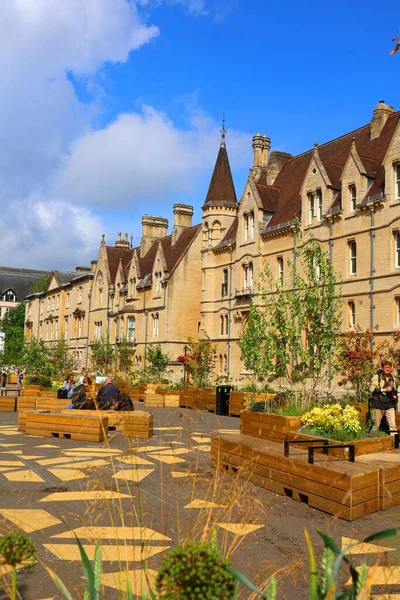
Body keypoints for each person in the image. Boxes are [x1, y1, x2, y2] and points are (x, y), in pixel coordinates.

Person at [370, 359, 398, 435]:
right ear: (382, 368)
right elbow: (372, 389)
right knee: (375, 427)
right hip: (378, 405)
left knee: (393, 427)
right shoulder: (377, 376)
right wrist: (384, 389)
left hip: (389, 405)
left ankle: (395, 444)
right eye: (386, 367)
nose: (388, 369)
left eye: (389, 367)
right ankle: (372, 442)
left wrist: (395, 397)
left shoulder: (392, 378)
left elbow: (394, 390)